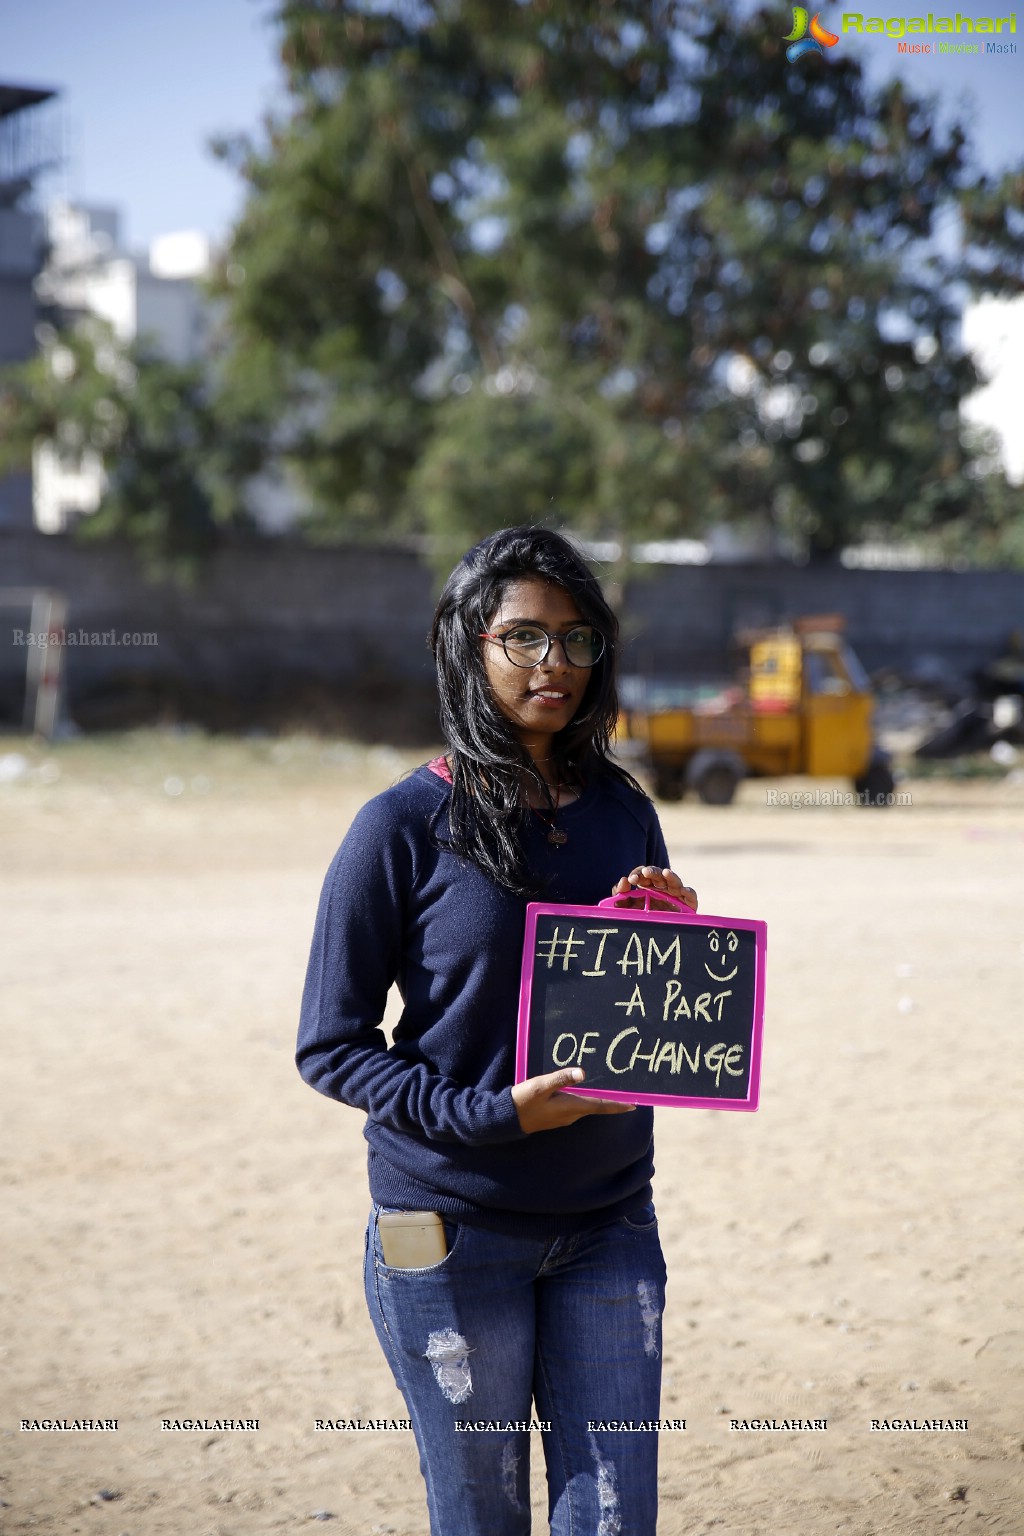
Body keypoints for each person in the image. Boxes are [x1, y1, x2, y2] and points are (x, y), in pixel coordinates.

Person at [297, 526, 697, 1535]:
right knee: (480, 1521)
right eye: (522, 637)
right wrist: (494, 1115)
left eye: (576, 640)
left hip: (610, 1223)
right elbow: (329, 1045)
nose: (553, 664)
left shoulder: (620, 809)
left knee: (611, 1518)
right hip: (448, 1234)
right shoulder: (396, 826)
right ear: (466, 643)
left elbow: (641, 1016)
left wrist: (672, 942)